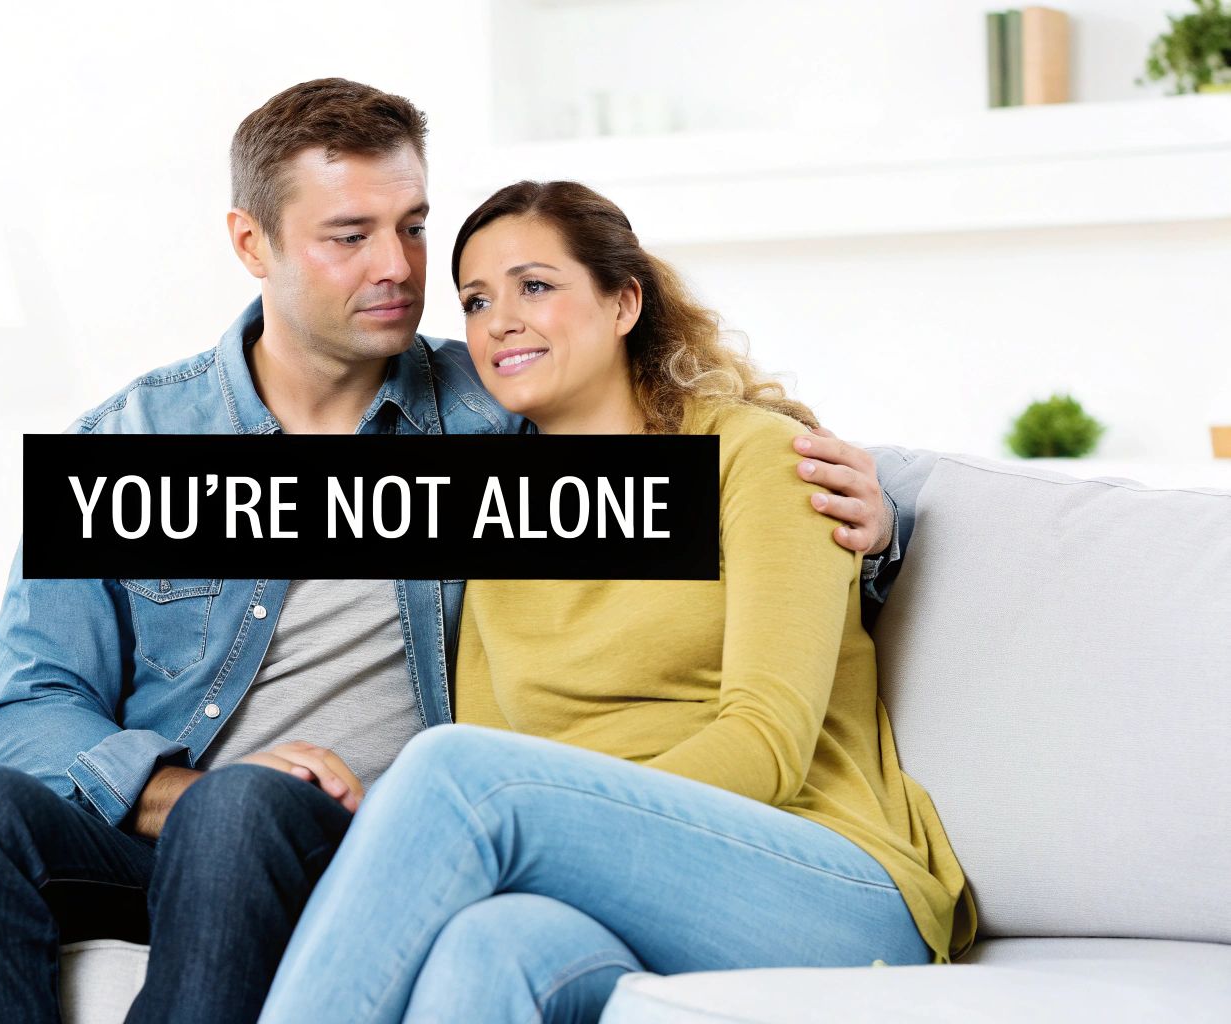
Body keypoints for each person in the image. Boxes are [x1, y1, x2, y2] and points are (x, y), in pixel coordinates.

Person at [0, 82, 906, 1024]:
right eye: (348, 235)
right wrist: (172, 792)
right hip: (173, 832)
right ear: (250, 243)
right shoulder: (128, 445)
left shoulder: (491, 414)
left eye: (412, 228)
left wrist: (874, 531)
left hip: (360, 841)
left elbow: (681, 467)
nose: (398, 268)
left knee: (241, 815)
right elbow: (26, 706)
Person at [258, 181, 977, 1024]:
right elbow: (503, 742)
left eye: (535, 286)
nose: (498, 322)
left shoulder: (759, 460)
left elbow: (768, 745)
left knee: (458, 774)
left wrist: (563, 814)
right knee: (492, 946)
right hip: (617, 879)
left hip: (826, 877)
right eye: (477, 301)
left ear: (624, 301)